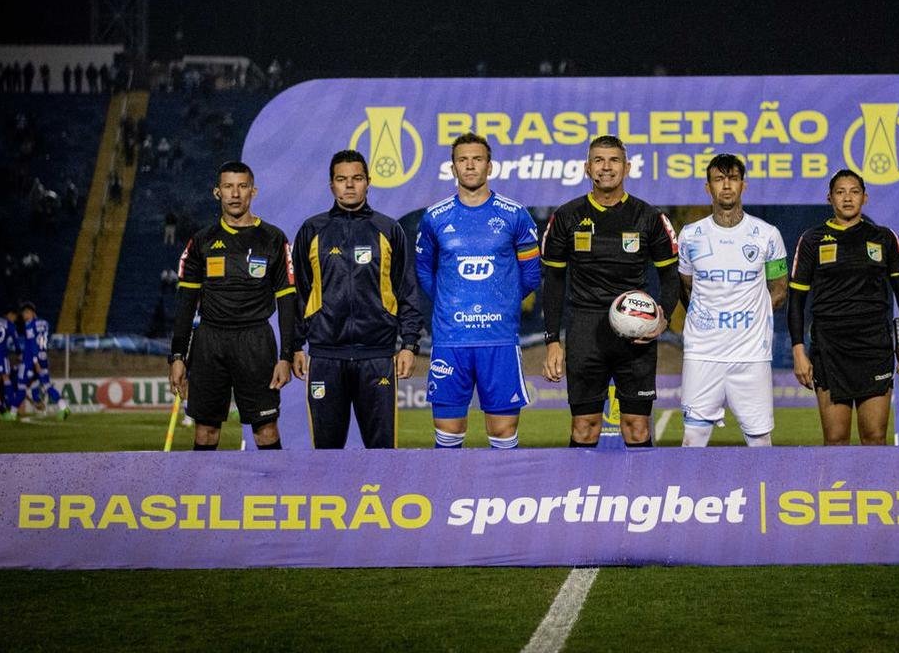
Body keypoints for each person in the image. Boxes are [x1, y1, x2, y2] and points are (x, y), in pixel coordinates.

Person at [541, 135, 680, 447]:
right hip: (585, 331)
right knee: (584, 428)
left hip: (636, 335)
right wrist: (552, 341)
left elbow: (670, 276)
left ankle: (638, 482)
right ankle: (581, 481)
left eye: (614, 160)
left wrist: (662, 319)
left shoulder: (649, 217)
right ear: (587, 168)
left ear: (627, 168)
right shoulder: (566, 217)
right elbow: (554, 281)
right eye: (599, 160)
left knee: (637, 428)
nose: (606, 167)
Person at [415, 133, 541, 449]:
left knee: (503, 433)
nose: (470, 165)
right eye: (463, 159)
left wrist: (503, 302)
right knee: (448, 434)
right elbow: (424, 271)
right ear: (453, 167)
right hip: (451, 340)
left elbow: (531, 274)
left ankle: (501, 484)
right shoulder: (434, 217)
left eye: (477, 159)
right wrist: (448, 301)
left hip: (499, 340)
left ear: (490, 166)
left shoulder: (514, 214)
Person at [291, 150, 423, 449]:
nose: (349, 185)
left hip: (377, 357)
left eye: (357, 178)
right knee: (325, 455)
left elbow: (406, 291)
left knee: (382, 455)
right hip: (326, 357)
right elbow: (299, 293)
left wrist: (409, 345)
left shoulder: (389, 229)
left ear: (368, 182)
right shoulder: (312, 230)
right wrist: (295, 346)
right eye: (342, 179)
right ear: (331, 185)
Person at [169, 161, 297, 450]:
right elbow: (186, 305)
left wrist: (286, 355)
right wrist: (177, 356)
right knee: (205, 432)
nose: (235, 194)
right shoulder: (201, 241)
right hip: (209, 342)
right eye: (228, 186)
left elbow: (288, 301)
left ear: (253, 191)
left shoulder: (273, 239)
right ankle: (203, 483)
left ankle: (274, 482)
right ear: (217, 192)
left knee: (266, 430)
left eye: (242, 186)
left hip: (256, 341)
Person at [788, 169, 899, 445]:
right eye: (840, 192)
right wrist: (798, 351)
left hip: (874, 349)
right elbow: (796, 300)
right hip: (829, 350)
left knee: (874, 437)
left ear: (865, 198)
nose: (847, 198)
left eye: (854, 192)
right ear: (829, 198)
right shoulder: (812, 240)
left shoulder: (884, 237)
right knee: (836, 440)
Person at [677, 154, 788, 447]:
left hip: (751, 355)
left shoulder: (768, 235)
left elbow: (779, 289)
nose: (726, 186)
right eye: (719, 179)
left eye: (733, 179)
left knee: (760, 440)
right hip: (703, 353)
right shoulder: (690, 236)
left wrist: (750, 317)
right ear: (708, 187)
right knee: (693, 439)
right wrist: (709, 320)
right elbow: (686, 288)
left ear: (743, 185)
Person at [14, 302, 68, 418]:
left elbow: (33, 345)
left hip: (33, 360)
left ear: (31, 312)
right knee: (47, 385)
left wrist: (35, 361)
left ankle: (12, 412)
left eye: (25, 313)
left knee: (21, 385)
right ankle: (63, 407)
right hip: (43, 357)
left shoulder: (29, 325)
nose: (23, 316)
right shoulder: (45, 323)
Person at [0, 308, 18, 417]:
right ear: (10, 314)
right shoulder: (9, 325)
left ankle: (0, 406)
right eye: (14, 317)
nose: (15, 319)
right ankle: (11, 404)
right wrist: (19, 353)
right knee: (6, 378)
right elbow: (15, 340)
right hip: (1, 355)